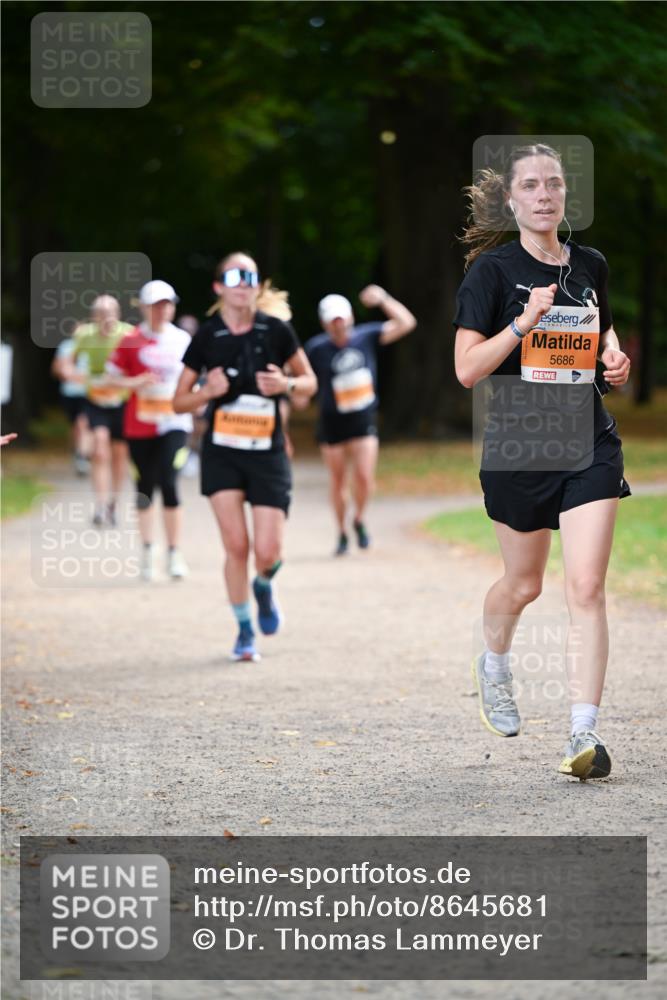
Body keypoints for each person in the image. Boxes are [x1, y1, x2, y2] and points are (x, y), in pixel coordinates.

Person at [454, 143, 631, 780]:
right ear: (512, 200)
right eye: (530, 185)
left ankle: (584, 735)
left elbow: (600, 329)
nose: (544, 194)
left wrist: (611, 356)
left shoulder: (590, 265)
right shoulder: (491, 274)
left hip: (588, 442)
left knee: (585, 587)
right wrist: (522, 325)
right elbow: (467, 370)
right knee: (523, 584)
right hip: (519, 446)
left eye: (553, 183)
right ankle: (495, 664)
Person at [173, 252, 317, 662]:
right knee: (236, 546)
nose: (243, 282)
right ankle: (243, 629)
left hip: (267, 452)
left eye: (250, 275)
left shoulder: (276, 330)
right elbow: (177, 402)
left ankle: (264, 587)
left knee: (268, 552)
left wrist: (285, 384)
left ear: (257, 284)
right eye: (234, 276)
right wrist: (207, 392)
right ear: (219, 287)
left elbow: (309, 382)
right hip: (222, 453)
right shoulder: (206, 336)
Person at [305, 287, 416, 555]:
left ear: (350, 317)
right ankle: (341, 531)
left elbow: (406, 323)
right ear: (325, 323)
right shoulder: (316, 348)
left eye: (342, 319)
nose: (339, 325)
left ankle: (359, 519)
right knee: (338, 479)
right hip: (332, 421)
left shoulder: (367, 336)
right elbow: (304, 380)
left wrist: (384, 299)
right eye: (333, 321)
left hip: (363, 417)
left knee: (364, 477)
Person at [106, 280, 193, 581]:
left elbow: (195, 377)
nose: (162, 310)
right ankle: (147, 551)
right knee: (145, 486)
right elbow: (110, 378)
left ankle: (174, 553)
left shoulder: (183, 340)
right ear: (143, 307)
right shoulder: (130, 340)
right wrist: (134, 383)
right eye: (156, 305)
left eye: (167, 304)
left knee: (169, 480)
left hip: (174, 422)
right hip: (139, 424)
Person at [64, 295, 133, 525]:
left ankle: (114, 503)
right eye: (102, 314)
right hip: (95, 400)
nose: (107, 318)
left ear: (118, 314)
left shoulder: (129, 334)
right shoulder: (84, 335)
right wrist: (77, 375)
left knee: (120, 454)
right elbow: (66, 363)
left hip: (123, 401)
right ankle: (101, 506)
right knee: (100, 449)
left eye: (111, 313)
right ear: (94, 317)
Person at [51, 337, 91, 475]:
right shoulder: (66, 346)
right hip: (70, 392)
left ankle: (83, 456)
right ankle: (77, 452)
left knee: (83, 423)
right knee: (75, 426)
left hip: (88, 393)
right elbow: (56, 369)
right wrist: (65, 373)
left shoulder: (93, 344)